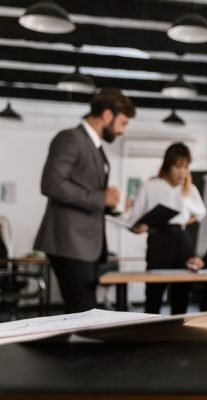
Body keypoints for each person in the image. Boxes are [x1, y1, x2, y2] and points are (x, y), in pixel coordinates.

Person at [34, 88, 135, 314]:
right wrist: (102, 197)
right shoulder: (71, 138)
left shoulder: (95, 147)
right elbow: (51, 184)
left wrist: (119, 212)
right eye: (123, 122)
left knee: (82, 313)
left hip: (85, 246)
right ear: (107, 115)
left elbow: (89, 196)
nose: (122, 131)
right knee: (84, 313)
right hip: (69, 243)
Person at [129, 142, 206, 314]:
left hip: (182, 239)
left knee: (181, 294)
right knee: (154, 294)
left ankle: (179, 336)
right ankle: (151, 335)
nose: (182, 172)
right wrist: (140, 228)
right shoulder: (151, 185)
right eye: (177, 166)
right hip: (158, 239)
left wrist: (185, 221)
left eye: (185, 167)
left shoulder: (189, 188)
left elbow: (201, 213)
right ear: (167, 165)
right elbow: (134, 220)